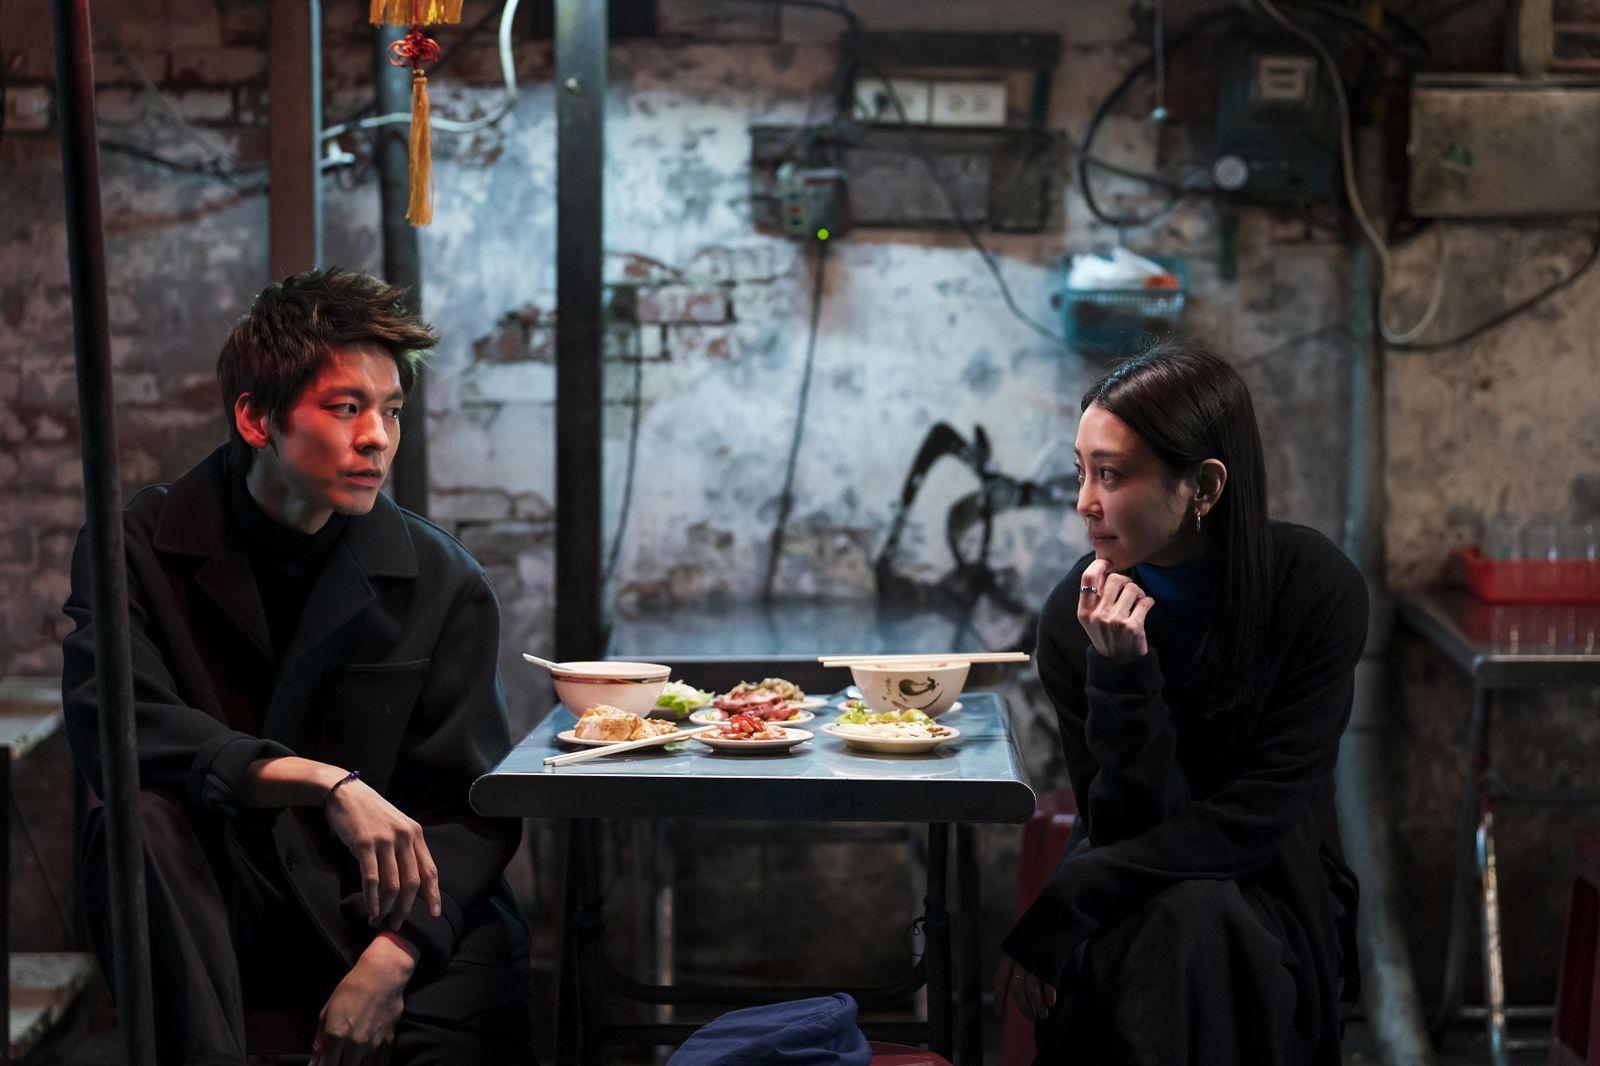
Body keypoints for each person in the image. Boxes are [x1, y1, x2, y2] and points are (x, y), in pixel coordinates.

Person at [61, 268, 534, 1064]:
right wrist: (326, 782)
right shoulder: (137, 548)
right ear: (256, 418)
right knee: (134, 824)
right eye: (346, 408)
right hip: (229, 903)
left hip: (397, 914)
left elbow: (471, 808)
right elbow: (115, 726)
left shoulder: (441, 579)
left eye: (391, 410)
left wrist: (392, 959)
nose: (377, 437)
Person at [994, 345, 1365, 1065]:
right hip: (1129, 881)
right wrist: (1121, 674)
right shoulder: (1075, 620)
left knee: (1190, 920)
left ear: (1205, 485)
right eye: (1080, 473)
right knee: (1173, 922)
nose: (1085, 503)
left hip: (1273, 880)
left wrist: (1071, 896)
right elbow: (1125, 822)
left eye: (1111, 474)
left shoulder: (1314, 589)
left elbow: (1259, 816)